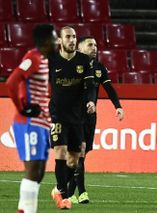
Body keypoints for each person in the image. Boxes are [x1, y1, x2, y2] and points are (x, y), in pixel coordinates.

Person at [6, 24, 58, 213]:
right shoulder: (33, 57)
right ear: (45, 41)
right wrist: (22, 108)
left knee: (39, 173)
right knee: (32, 170)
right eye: (54, 39)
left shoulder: (44, 59)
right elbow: (12, 82)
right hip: (29, 123)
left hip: (42, 123)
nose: (57, 42)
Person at [67, 36, 124, 204]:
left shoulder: (99, 68)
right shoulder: (73, 66)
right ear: (80, 48)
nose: (94, 48)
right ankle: (81, 192)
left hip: (90, 116)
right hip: (75, 116)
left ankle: (68, 192)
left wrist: (118, 106)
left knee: (82, 155)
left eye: (96, 45)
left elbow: (108, 88)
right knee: (80, 151)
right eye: (90, 45)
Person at [49, 26, 96, 210]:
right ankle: (63, 197)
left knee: (74, 160)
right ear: (60, 40)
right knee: (60, 152)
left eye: (74, 37)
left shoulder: (84, 60)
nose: (72, 40)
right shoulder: (52, 59)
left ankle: (58, 189)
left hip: (77, 116)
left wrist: (91, 101)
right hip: (58, 114)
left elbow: (90, 86)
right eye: (68, 37)